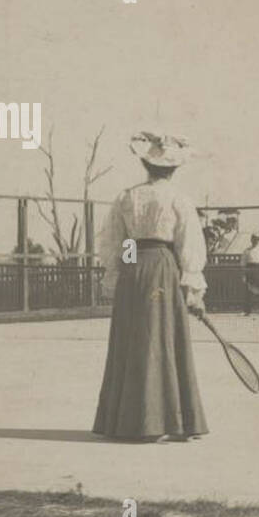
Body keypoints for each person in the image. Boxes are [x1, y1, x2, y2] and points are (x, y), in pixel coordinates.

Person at [92, 132, 209, 442]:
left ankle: (130, 422)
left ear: (146, 165)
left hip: (134, 267)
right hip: (162, 264)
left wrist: (126, 271)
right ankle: (165, 423)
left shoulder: (127, 196)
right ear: (174, 169)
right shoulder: (178, 199)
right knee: (162, 340)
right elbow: (188, 245)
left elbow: (119, 241)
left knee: (133, 341)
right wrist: (193, 289)